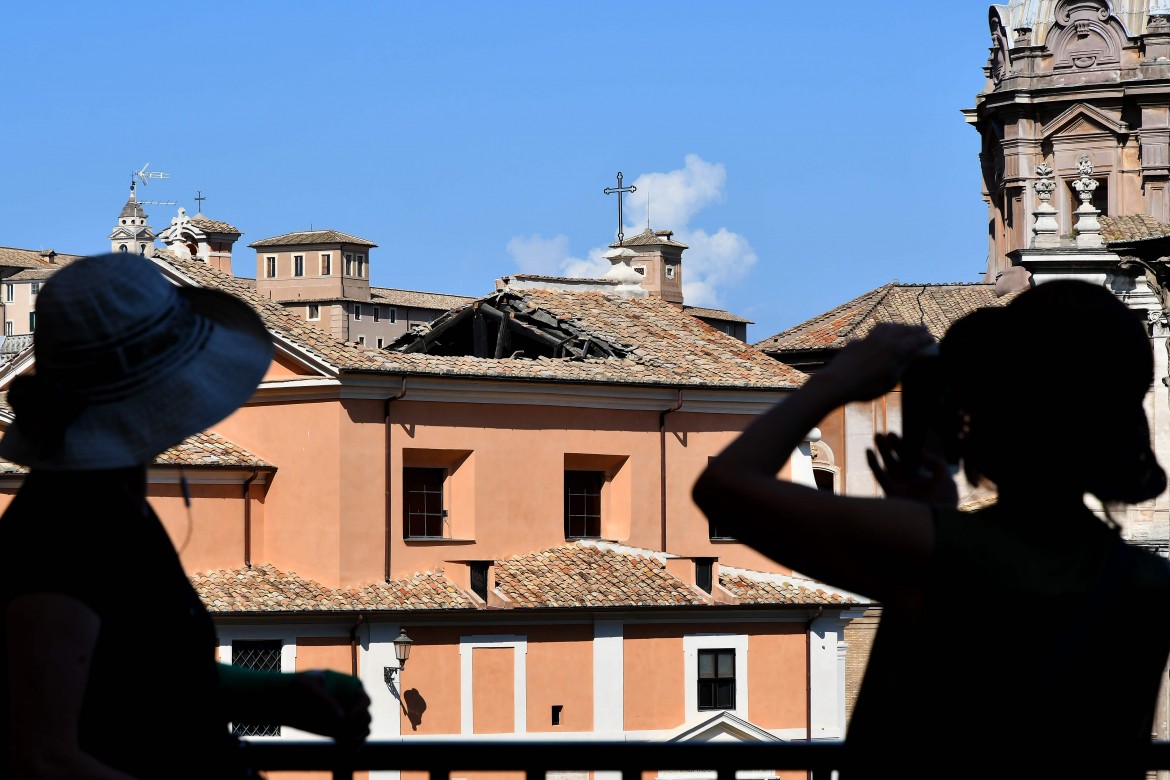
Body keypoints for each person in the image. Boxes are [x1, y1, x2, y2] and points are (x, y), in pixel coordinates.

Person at [693, 279, 1170, 779]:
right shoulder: (1149, 583)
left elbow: (723, 488)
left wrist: (833, 383)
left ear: (990, 419)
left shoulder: (942, 552)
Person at [0, 253, 371, 780]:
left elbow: (142, 675)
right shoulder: (65, 531)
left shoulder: (104, 506)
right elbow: (42, 758)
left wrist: (278, 694)